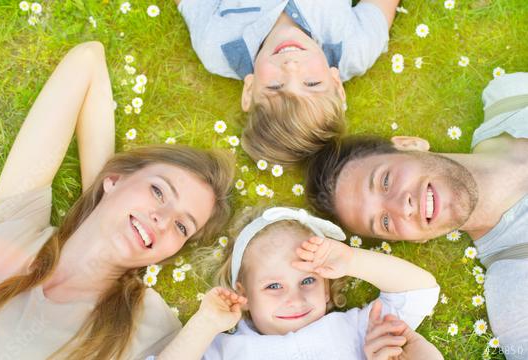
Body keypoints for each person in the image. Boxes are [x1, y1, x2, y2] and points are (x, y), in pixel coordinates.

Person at [0, 41, 235, 360]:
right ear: (115, 179)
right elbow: (87, 60)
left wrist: (121, 207)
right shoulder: (16, 226)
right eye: (158, 191)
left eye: (181, 225)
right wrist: (107, 201)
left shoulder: (148, 329)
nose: (162, 217)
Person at [306, 72, 528, 359]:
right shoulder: (515, 293)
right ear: (417, 240)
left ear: (410, 144)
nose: (402, 206)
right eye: (385, 222)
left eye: (385, 181)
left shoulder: (509, 95)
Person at [153, 206, 440, 359]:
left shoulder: (355, 330)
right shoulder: (227, 351)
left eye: (307, 280)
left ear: (327, 286)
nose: (294, 298)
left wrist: (352, 261)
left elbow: (419, 291)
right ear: (244, 294)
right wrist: (204, 324)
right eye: (273, 286)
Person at [174, 0, 399, 165]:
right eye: (311, 83)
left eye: (274, 87)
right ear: (336, 84)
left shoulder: (217, 45)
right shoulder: (355, 47)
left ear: (249, 90)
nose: (291, 67)